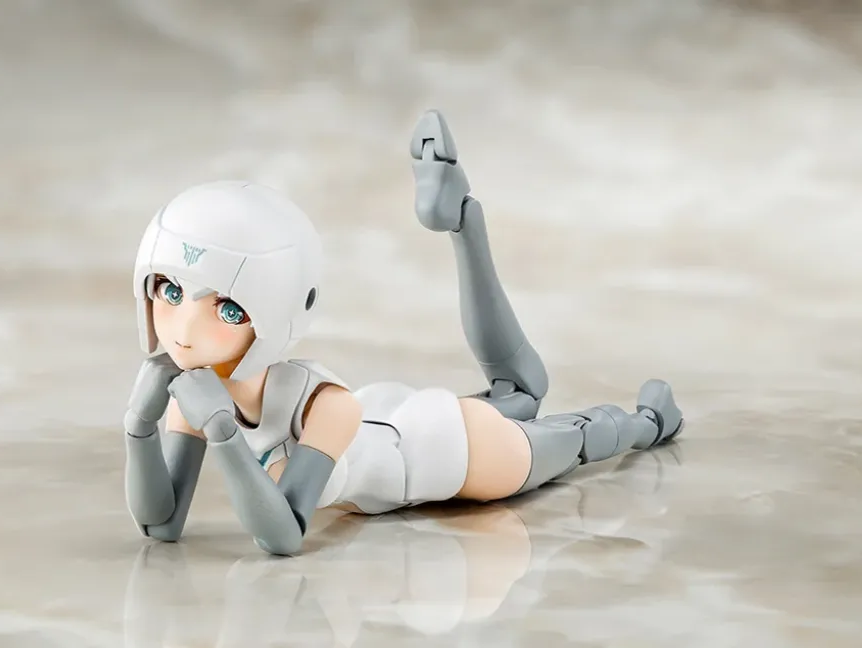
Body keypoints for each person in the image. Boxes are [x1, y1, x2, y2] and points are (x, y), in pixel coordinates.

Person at [122, 110, 685, 556]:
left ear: (273, 315)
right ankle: (462, 221)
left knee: (576, 436)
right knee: (519, 390)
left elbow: (283, 534)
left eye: (226, 309)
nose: (184, 329)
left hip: (462, 457)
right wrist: (139, 426)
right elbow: (161, 524)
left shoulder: (323, 405)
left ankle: (651, 422)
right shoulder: (198, 395)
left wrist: (223, 432)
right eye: (169, 291)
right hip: (401, 420)